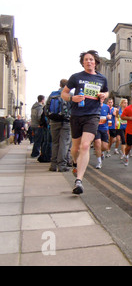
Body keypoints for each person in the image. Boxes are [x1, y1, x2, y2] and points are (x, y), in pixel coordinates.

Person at [61, 50, 108, 195]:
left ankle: (79, 181)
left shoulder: (102, 78)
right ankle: (75, 163)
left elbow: (107, 92)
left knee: (86, 145)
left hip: (93, 115)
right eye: (86, 59)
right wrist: (71, 98)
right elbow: (64, 93)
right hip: (77, 114)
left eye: (91, 59)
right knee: (75, 148)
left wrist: (103, 95)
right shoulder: (76, 77)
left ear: (95, 62)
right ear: (83, 62)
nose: (89, 62)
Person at [46, 79, 72, 172]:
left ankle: (53, 165)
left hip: (54, 121)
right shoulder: (70, 95)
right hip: (66, 122)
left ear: (60, 84)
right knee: (64, 143)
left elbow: (46, 108)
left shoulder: (53, 94)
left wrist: (50, 119)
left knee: (55, 143)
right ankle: (62, 166)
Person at [94, 97, 111, 169]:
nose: (100, 100)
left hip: (104, 128)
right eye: (99, 99)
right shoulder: (93, 107)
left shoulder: (106, 107)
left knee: (104, 147)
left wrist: (108, 119)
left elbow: (109, 116)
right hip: (96, 128)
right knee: (97, 144)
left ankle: (101, 152)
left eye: (102, 99)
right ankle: (99, 162)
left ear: (103, 99)